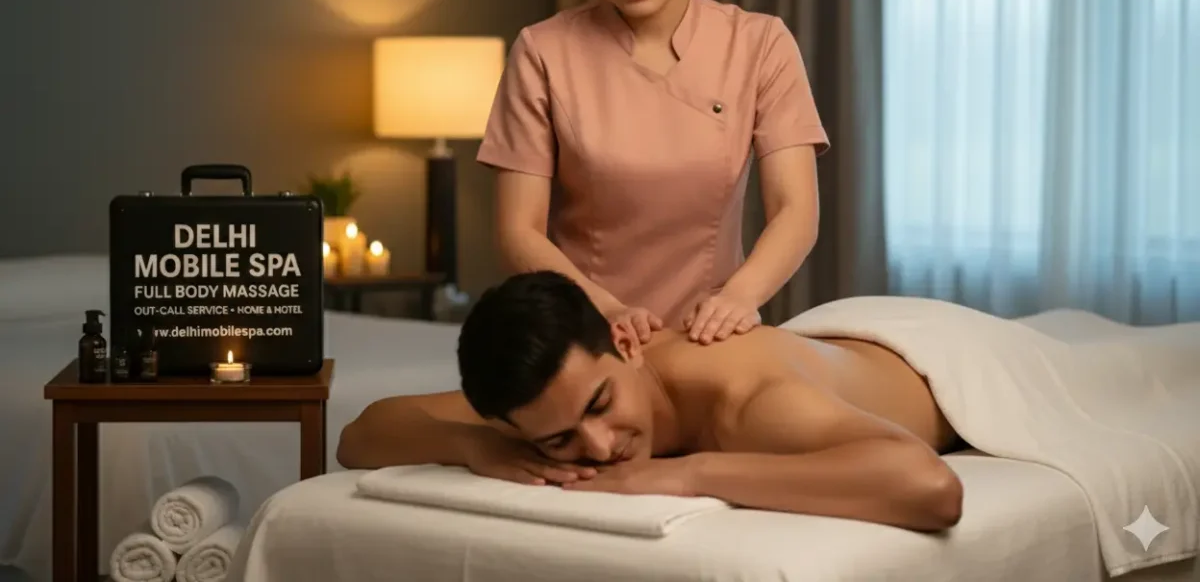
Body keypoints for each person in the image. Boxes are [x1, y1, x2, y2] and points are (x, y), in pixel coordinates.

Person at [476, 0, 828, 346]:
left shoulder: (760, 45)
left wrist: (738, 299)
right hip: (586, 334)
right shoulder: (543, 52)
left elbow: (795, 211)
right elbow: (518, 230)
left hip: (714, 336)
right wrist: (606, 310)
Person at [337, 271, 965, 533]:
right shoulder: (547, 398)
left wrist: (688, 473)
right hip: (825, 346)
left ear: (624, 342)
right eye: (558, 441)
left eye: (601, 404)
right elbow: (361, 434)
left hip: (936, 351)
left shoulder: (748, 403)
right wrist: (472, 445)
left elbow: (931, 487)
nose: (601, 447)